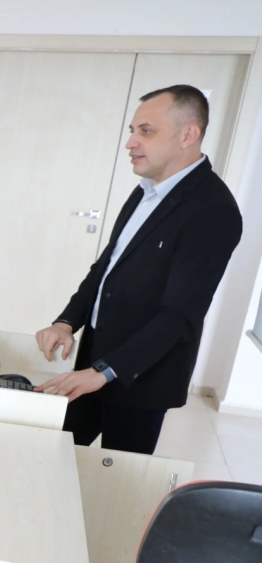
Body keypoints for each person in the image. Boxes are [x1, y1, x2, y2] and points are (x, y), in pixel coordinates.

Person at [35, 85, 244, 455]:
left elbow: (180, 316)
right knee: (55, 457)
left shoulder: (213, 210)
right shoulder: (145, 190)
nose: (131, 142)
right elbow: (106, 267)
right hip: (92, 364)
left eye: (146, 131)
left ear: (188, 135)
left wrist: (105, 371)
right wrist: (66, 321)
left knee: (118, 480)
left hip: (140, 377)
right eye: (132, 130)